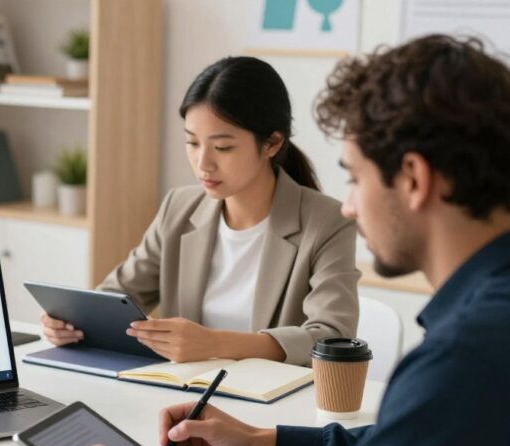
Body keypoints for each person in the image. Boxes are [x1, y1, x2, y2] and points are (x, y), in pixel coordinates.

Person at [36, 35, 510, 446]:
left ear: (413, 179)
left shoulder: (467, 360)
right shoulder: (481, 340)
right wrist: (265, 444)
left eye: (354, 178)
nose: (348, 204)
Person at [42, 56, 358, 366]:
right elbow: (117, 297)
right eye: (192, 143)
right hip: (182, 391)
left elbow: (332, 336)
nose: (203, 164)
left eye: (222, 147)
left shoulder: (327, 222)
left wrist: (214, 344)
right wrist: (72, 322)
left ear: (272, 143)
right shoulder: (179, 208)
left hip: (271, 397)